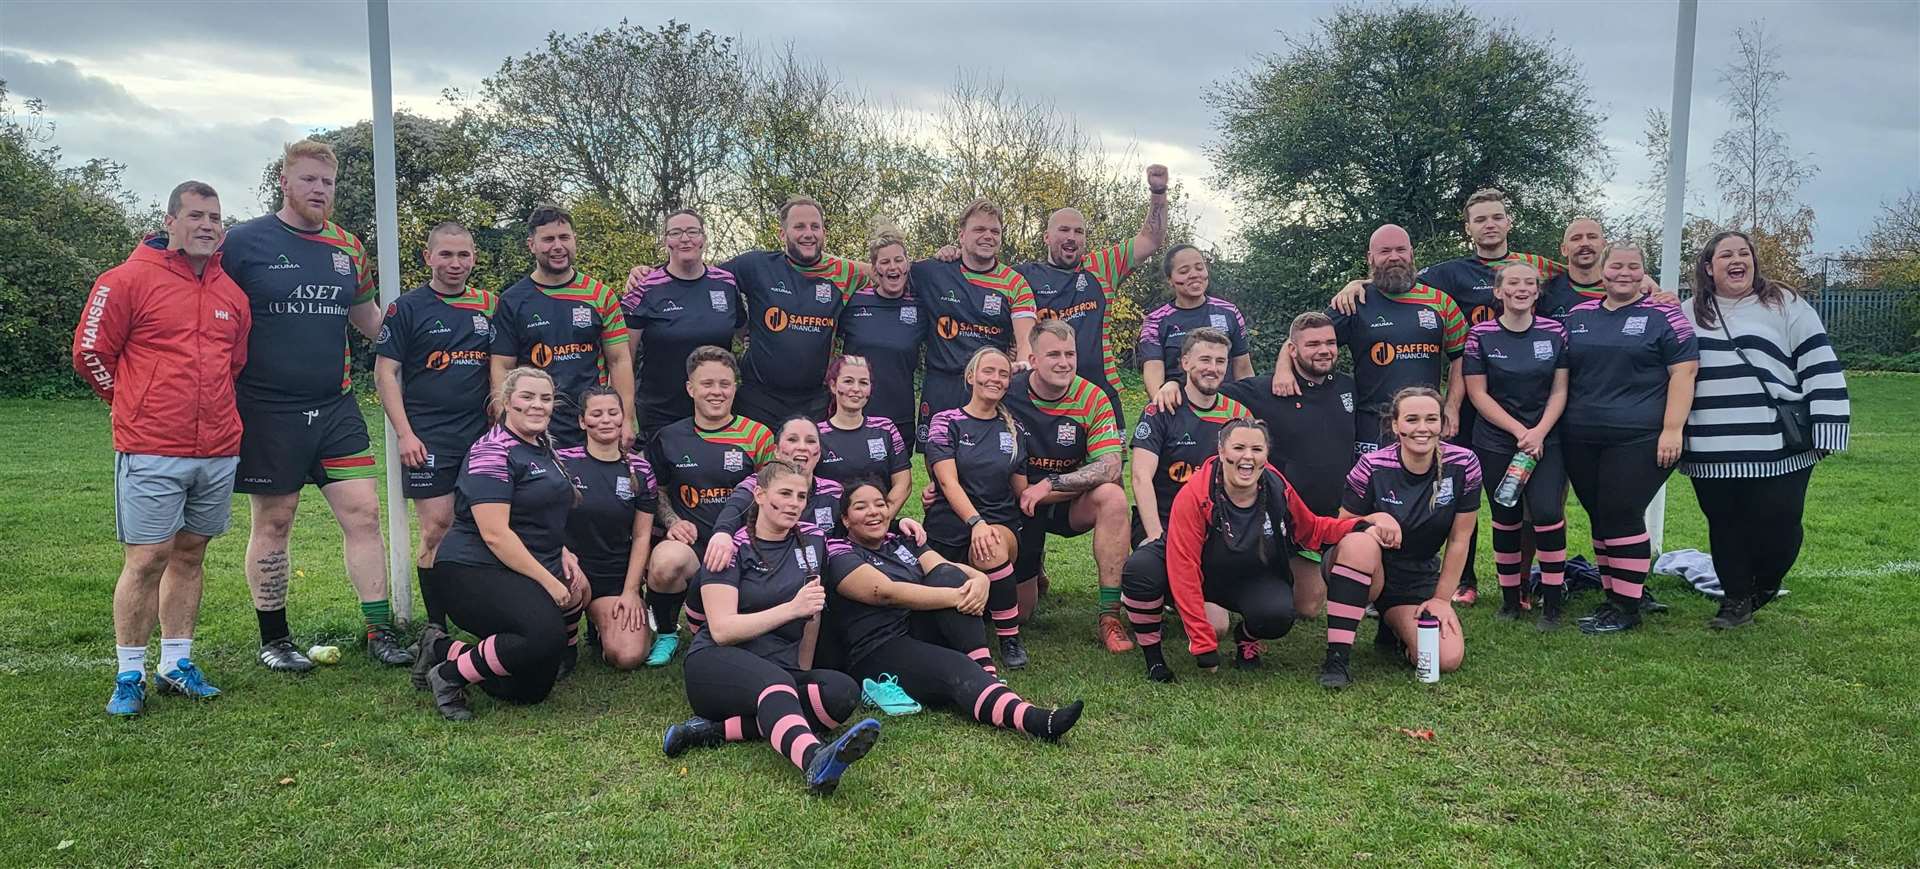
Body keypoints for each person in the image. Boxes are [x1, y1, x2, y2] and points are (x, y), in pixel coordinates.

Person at [221, 140, 410, 670]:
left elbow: (369, 318)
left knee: (364, 514)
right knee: (275, 522)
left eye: (327, 182)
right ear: (284, 182)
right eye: (308, 180)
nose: (319, 190)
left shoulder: (348, 247)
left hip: (335, 407)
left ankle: (379, 633)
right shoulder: (243, 243)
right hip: (266, 409)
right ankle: (275, 640)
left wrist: (420, 345)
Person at [75, 181, 250, 715]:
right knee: (147, 557)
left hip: (218, 449)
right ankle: (129, 674)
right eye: (195, 215)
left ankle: (176, 663)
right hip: (151, 445)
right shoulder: (126, 279)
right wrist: (132, 402)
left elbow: (234, 365)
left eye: (215, 218)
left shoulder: (231, 294)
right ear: (169, 220)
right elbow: (91, 354)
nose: (207, 225)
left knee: (191, 554)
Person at [667, 460, 883, 796]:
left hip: (777, 668)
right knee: (778, 685)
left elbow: (812, 612)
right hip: (717, 661)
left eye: (801, 496)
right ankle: (814, 759)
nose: (795, 503)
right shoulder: (730, 549)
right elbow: (723, 629)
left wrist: (803, 670)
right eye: (785, 493)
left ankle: (713, 732)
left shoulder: (813, 541)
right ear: (760, 495)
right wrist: (789, 609)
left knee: (841, 692)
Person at [1121, 419, 1398, 682]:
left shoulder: (1276, 486)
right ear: (1221, 451)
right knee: (1140, 570)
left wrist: (1360, 526)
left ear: (1266, 455)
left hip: (1244, 571)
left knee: (1277, 616)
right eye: (1238, 448)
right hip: (1195, 565)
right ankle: (1154, 658)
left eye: (1257, 449)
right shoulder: (1196, 493)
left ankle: (1247, 637)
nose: (1247, 457)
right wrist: (1202, 641)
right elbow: (1184, 567)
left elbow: (1310, 529)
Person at [823, 478, 1085, 738]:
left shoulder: (900, 540)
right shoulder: (838, 552)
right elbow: (885, 593)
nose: (873, 512)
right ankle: (1036, 721)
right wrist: (955, 597)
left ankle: (986, 671)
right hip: (876, 648)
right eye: (860, 507)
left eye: (879, 504)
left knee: (946, 575)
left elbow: (942, 567)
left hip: (912, 629)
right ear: (845, 519)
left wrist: (980, 578)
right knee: (955, 668)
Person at [1681, 230, 1850, 629]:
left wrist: (1827, 427)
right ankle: (1736, 600)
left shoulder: (1785, 303)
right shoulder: (1687, 313)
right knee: (1725, 525)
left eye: (1744, 253)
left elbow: (1819, 364)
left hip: (1781, 442)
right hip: (1711, 446)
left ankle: (1766, 584)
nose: (1737, 260)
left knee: (1781, 521)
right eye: (1726, 255)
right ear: (1709, 266)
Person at [414, 368, 591, 720]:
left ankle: (442, 648)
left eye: (545, 398)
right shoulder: (491, 451)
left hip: (518, 565)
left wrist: (562, 551)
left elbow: (540, 514)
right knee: (542, 636)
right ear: (507, 401)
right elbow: (496, 534)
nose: (537, 405)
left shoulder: (542, 446)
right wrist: (548, 579)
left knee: (528, 692)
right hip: (472, 569)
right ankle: (447, 677)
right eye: (527, 396)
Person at [1561, 243, 1698, 634]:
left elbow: (1684, 373)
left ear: (1645, 272)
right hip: (1581, 436)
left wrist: (1673, 429)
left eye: (1634, 266)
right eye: (1617, 265)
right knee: (1601, 516)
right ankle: (1618, 594)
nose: (1625, 273)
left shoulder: (1666, 315)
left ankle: (1626, 608)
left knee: (1622, 512)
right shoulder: (1578, 315)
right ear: (1602, 271)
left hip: (1641, 435)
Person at [372, 222, 497, 638]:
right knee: (437, 527)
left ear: (474, 258)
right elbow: (385, 373)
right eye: (446, 254)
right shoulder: (405, 308)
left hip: (482, 439)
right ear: (428, 257)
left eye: (463, 255)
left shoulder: (488, 306)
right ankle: (435, 626)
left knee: (488, 525)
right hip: (428, 438)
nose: (455, 263)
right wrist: (405, 434)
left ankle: (486, 614)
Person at [1321, 387, 1480, 688]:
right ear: (1395, 425)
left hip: (1415, 576)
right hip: (1364, 569)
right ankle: (1337, 659)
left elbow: (1461, 538)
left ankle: (1392, 625)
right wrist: (1376, 519)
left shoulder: (1465, 464)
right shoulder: (1372, 466)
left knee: (1445, 659)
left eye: (1431, 419)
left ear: (1442, 424)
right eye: (1412, 419)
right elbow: (1339, 527)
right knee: (1359, 542)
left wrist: (1442, 599)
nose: (1422, 428)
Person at [1275, 225, 1467, 454]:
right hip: (1371, 425)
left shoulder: (1441, 302)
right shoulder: (1354, 301)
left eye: (1400, 250)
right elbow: (1304, 339)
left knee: (1431, 487)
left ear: (1411, 254)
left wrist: (1452, 407)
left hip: (1425, 422)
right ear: (1370, 258)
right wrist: (1283, 370)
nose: (1394, 257)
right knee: (1371, 489)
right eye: (1385, 251)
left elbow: (1461, 358)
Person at [642, 346, 777, 667]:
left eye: (724, 384)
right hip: (694, 548)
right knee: (664, 562)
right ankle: (666, 631)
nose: (716, 392)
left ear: (734, 387)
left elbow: (772, 495)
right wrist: (673, 520)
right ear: (690, 388)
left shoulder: (758, 435)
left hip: (742, 549)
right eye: (707, 384)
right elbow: (657, 491)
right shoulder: (669, 437)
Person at [1004, 319, 1131, 655]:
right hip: (1018, 503)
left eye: (1070, 354)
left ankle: (1109, 617)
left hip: (1064, 499)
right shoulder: (1008, 389)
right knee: (1022, 613)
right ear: (1032, 360)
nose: (1064, 362)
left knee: (1114, 497)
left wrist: (1049, 483)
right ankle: (1034, 569)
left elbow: (1110, 464)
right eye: (1053, 355)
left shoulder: (1093, 396)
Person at [1013, 164, 1171, 416]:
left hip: (1101, 394)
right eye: (1063, 230)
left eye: (1078, 231)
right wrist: (951, 255)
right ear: (1046, 237)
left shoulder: (1101, 267)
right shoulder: (1021, 276)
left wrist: (1158, 192)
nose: (1071, 237)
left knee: (1111, 458)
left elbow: (1150, 240)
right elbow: (980, 275)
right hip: (1044, 397)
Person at [1463, 263, 1571, 627]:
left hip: (1547, 439)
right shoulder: (1480, 335)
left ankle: (1552, 604)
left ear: (1538, 292)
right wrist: (1518, 431)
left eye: (1529, 283)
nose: (1522, 288)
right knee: (1505, 517)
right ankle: (1510, 600)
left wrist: (1538, 432)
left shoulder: (1556, 332)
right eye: (1513, 282)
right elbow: (1478, 394)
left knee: (1547, 514)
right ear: (1499, 291)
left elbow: (1560, 390)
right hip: (1496, 440)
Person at [489, 203, 633, 449]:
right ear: (531, 245)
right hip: (534, 423)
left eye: (564, 237)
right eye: (548, 239)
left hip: (592, 422)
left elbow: (619, 360)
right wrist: (504, 416)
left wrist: (627, 419)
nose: (558, 246)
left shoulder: (600, 295)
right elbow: (502, 366)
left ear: (574, 240)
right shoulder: (512, 301)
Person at [923, 347, 1031, 669]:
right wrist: (974, 522)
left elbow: (1022, 490)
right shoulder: (946, 421)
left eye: (1003, 374)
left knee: (991, 546)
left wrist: (1060, 486)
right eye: (988, 371)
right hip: (949, 523)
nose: (995, 379)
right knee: (934, 622)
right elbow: (947, 482)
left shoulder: (1014, 430)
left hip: (997, 525)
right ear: (971, 376)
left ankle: (1009, 639)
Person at [721, 196, 866, 425]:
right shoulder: (757, 265)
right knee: (756, 461)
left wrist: (943, 258)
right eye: (799, 227)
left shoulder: (844, 272)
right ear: (782, 234)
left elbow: (891, 270)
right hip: (758, 398)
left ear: (824, 233)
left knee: (807, 460)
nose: (808, 233)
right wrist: (649, 272)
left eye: (814, 227)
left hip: (813, 401)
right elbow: (704, 276)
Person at [911, 199, 1038, 447]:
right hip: (942, 383)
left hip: (988, 384)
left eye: (995, 231)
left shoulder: (1014, 283)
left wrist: (1021, 367)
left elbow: (1026, 341)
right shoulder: (933, 271)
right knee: (937, 464)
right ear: (961, 235)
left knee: (987, 463)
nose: (988, 236)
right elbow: (884, 270)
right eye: (979, 229)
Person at [620, 209, 744, 444]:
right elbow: (624, 358)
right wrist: (625, 415)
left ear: (703, 238)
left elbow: (746, 334)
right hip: (660, 411)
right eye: (675, 232)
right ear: (666, 240)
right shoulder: (644, 286)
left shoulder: (725, 282)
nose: (685, 239)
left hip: (716, 408)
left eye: (692, 231)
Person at [556, 387, 659, 670]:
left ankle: (601, 625)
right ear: (582, 421)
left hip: (615, 575)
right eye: (596, 413)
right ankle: (567, 644)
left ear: (623, 418)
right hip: (570, 569)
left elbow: (641, 536)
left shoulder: (640, 469)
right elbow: (543, 520)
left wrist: (630, 592)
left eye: (613, 413)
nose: (605, 420)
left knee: (627, 657)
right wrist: (562, 552)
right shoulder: (561, 463)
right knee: (566, 585)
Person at [1133, 328, 1252, 546]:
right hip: (1166, 523)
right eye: (1205, 360)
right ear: (1185, 363)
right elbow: (1141, 477)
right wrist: (1156, 537)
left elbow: (1251, 479)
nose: (1213, 369)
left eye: (1220, 361)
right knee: (1143, 570)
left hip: (1219, 527)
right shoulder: (1160, 410)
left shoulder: (1239, 414)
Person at [837, 224, 927, 434]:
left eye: (898, 260)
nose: (892, 267)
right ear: (875, 268)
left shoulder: (920, 307)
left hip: (900, 414)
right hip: (854, 412)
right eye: (885, 262)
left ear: (907, 265)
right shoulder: (854, 302)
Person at [1136, 244, 1254, 396]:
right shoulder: (1155, 320)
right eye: (1184, 271)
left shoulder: (1229, 312)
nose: (1194, 275)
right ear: (1170, 280)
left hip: (1226, 407)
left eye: (1199, 268)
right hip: (1178, 407)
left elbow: (1243, 369)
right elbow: (1153, 371)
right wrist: (1160, 405)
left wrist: (1250, 407)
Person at [815, 355, 913, 517]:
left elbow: (904, 483)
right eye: (848, 381)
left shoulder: (885, 429)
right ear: (833, 386)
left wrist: (882, 518)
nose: (856, 389)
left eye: (863, 383)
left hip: (876, 526)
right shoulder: (816, 435)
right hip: (832, 530)